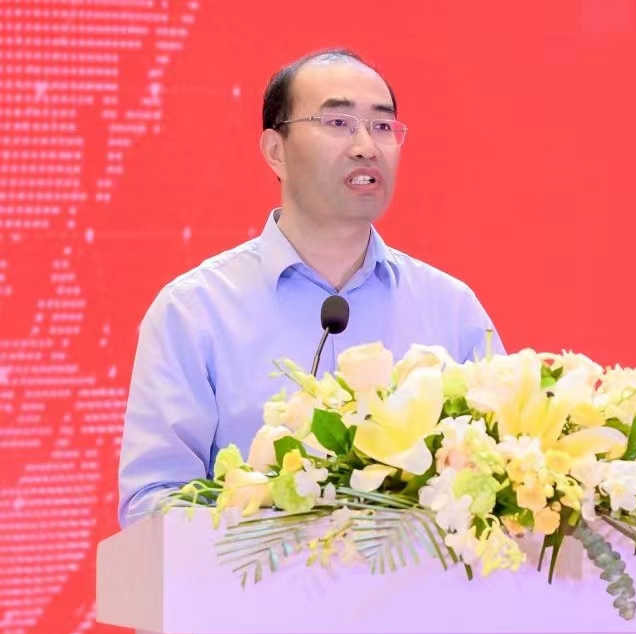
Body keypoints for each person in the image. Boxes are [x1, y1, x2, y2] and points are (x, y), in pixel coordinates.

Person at [116, 49, 504, 527]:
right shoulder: (195, 311)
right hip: (254, 576)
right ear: (275, 151)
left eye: (382, 126)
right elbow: (153, 503)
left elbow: (502, 479)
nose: (366, 146)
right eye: (338, 122)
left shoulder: (451, 310)